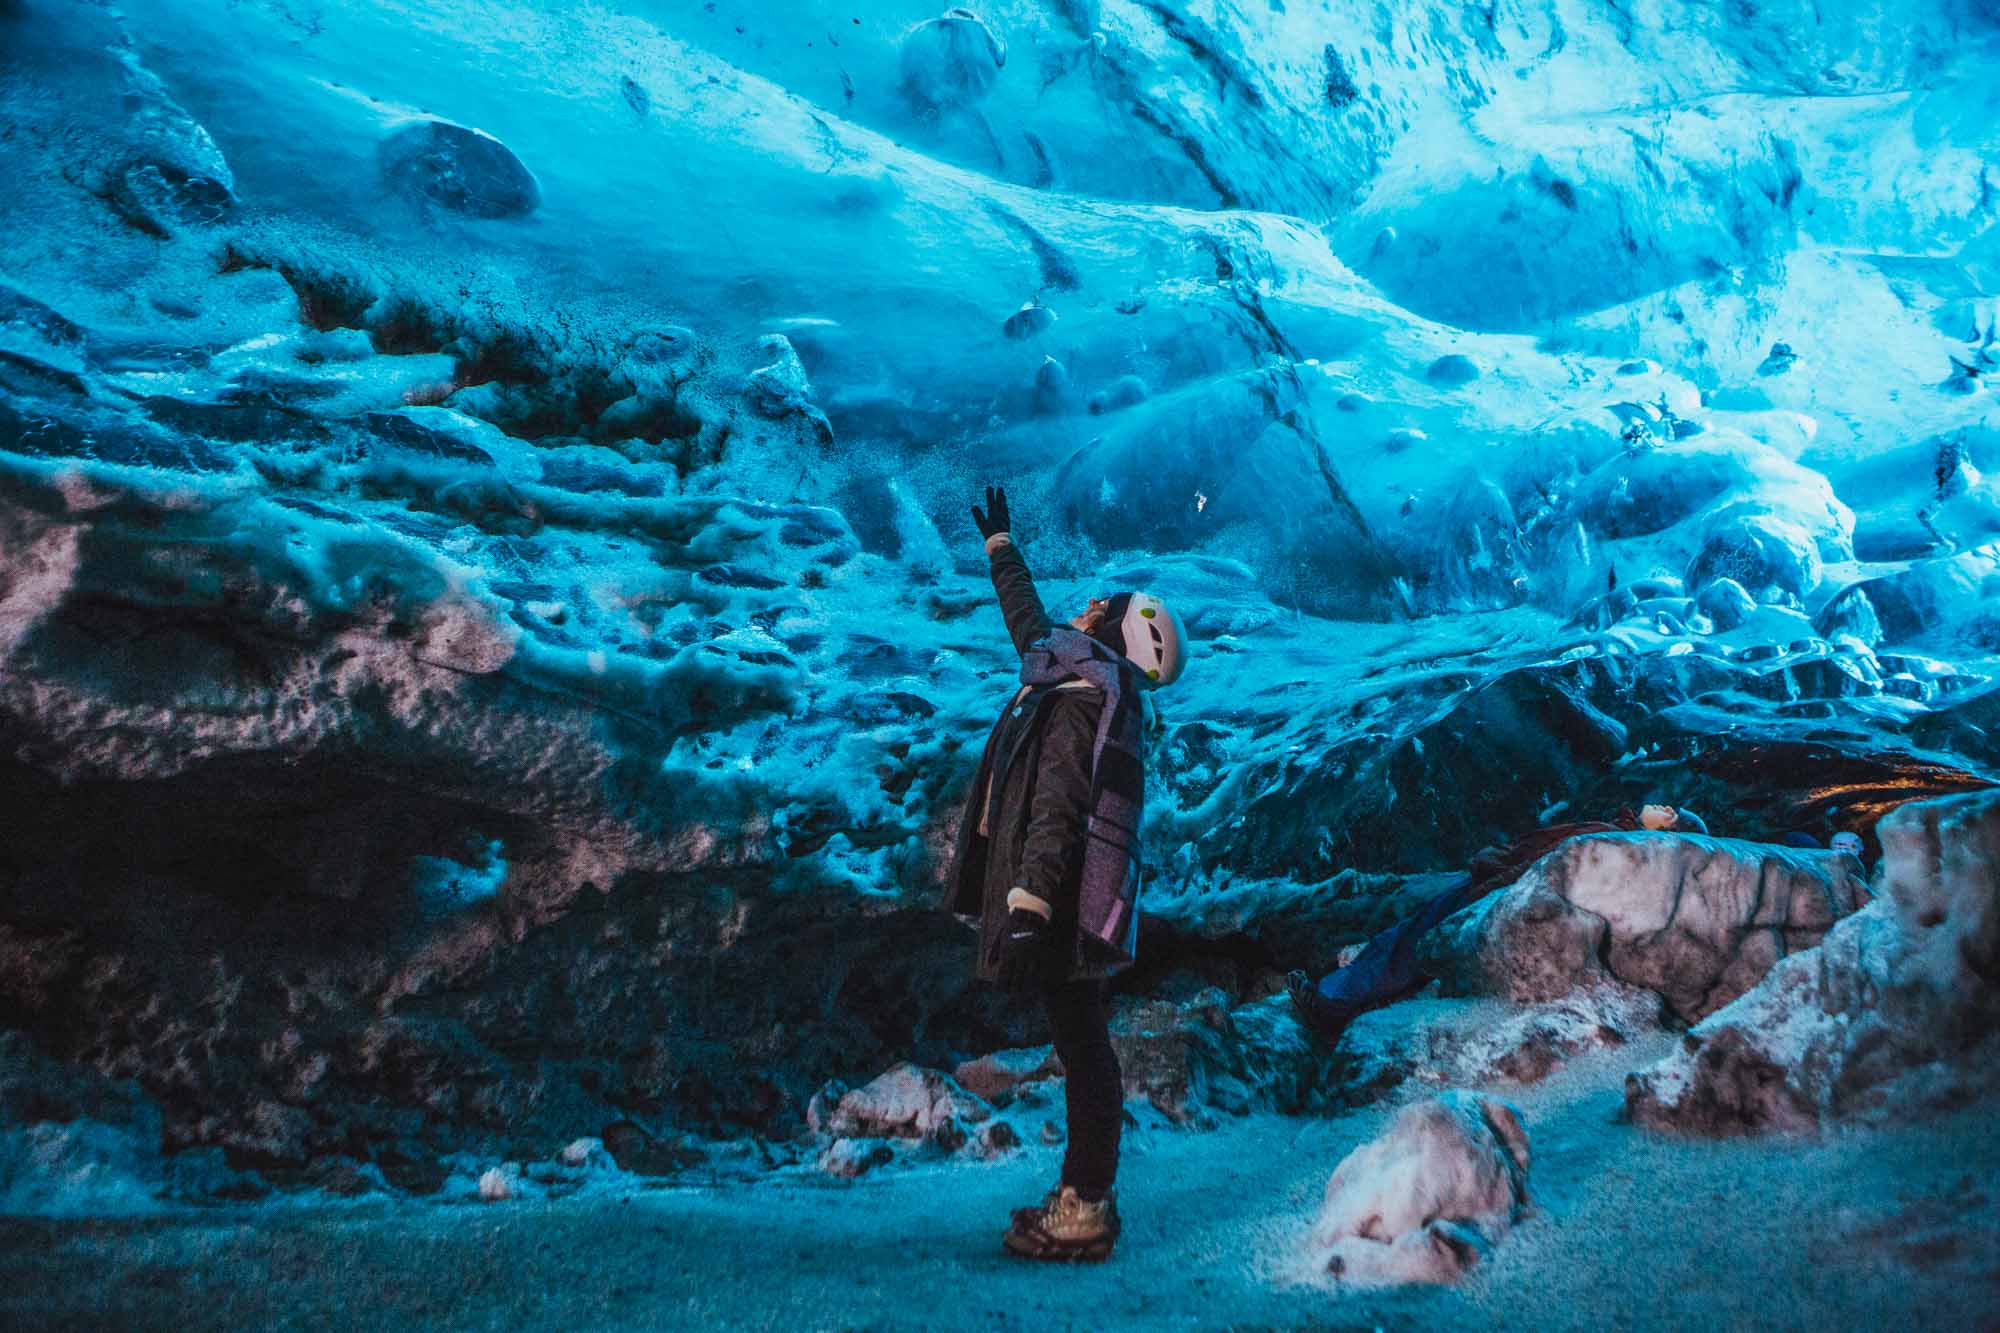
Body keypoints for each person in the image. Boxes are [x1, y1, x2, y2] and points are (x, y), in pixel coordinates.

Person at [945, 486, 1189, 1263]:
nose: (1087, 605)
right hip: (1071, 904)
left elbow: (1057, 810)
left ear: (1116, 631)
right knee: (1083, 1042)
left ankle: (1084, 1206)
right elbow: (1032, 628)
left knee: (1085, 1049)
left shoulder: (1082, 703)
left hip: (1062, 906)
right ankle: (1085, 1197)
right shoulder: (1080, 678)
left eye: (1102, 604)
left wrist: (1027, 906)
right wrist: (1001, 549)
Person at [1286, 803, 1707, 1042]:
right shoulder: (1616, 831)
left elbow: (1541, 866)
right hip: (1492, 884)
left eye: (1671, 814)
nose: (1663, 806)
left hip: (1492, 891)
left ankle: (1330, 1007)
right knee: (1404, 942)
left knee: (1408, 948)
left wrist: (1490, 886)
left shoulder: (1615, 839)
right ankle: (1341, 1000)